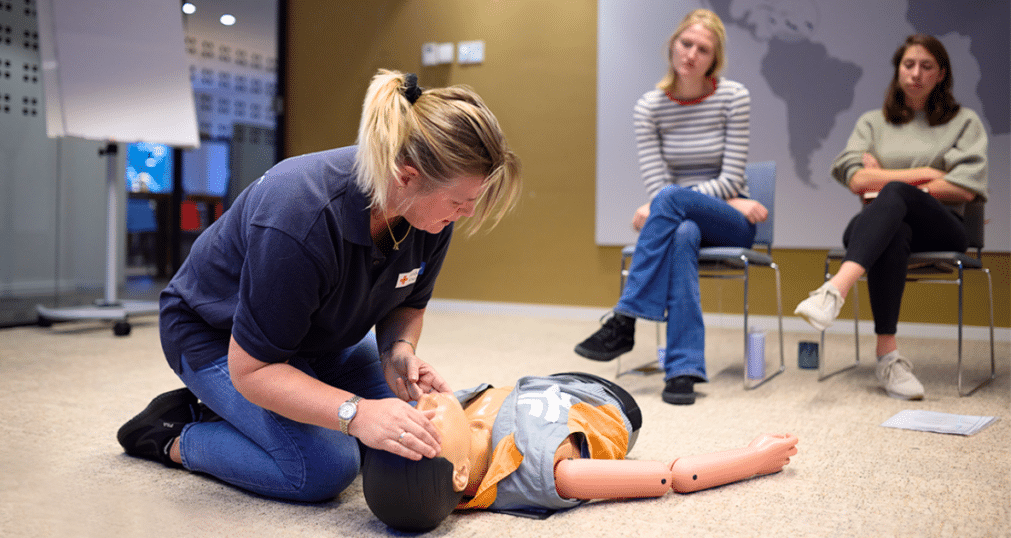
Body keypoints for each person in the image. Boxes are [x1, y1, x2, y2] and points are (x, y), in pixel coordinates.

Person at [116, 69, 522, 502]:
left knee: (415, 428)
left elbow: (408, 305)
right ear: (406, 176)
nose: (466, 215)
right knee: (325, 467)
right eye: (460, 203)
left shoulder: (429, 214)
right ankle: (178, 432)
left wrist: (397, 351)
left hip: (318, 339)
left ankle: (256, 413)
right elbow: (253, 369)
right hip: (217, 339)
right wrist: (356, 413)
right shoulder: (300, 217)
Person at [574, 8, 767, 405]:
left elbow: (731, 179)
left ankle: (625, 318)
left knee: (670, 202)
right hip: (689, 217)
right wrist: (673, 200)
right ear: (672, 45)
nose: (692, 54)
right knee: (680, 231)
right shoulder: (649, 107)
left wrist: (677, 199)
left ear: (715, 59)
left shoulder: (734, 97)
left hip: (733, 221)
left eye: (704, 49)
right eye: (686, 43)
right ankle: (683, 371)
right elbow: (659, 185)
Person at [794, 34, 988, 400]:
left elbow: (964, 188)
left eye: (926, 66)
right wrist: (929, 174)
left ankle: (834, 290)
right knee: (893, 228)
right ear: (898, 70)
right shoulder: (873, 123)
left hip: (944, 227)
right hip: (884, 228)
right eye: (908, 65)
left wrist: (887, 178)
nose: (915, 73)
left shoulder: (965, 123)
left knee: (894, 194)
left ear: (941, 74)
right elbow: (855, 179)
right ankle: (888, 355)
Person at [362, 372, 799, 532]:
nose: (418, 411)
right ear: (460, 476)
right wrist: (754, 457)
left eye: (406, 417)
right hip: (610, 398)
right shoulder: (544, 471)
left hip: (547, 381)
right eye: (423, 429)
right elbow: (674, 477)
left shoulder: (454, 407)